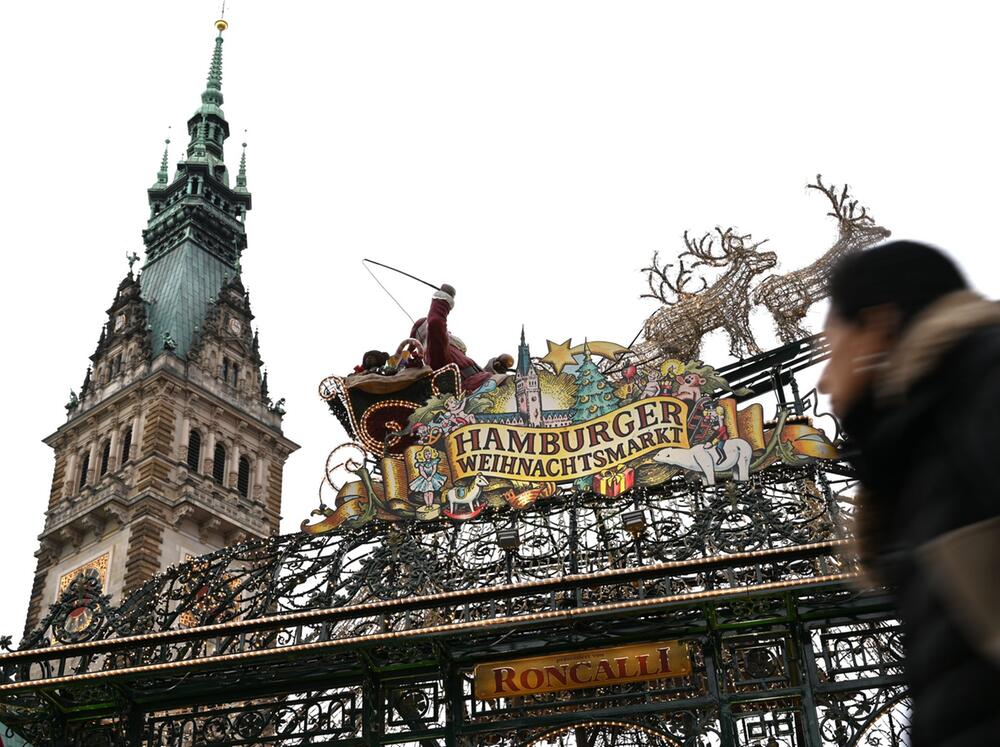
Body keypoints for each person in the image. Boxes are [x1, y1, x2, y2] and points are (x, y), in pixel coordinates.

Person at [817, 241, 1000, 746]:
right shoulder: (914, 453)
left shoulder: (981, 385)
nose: (824, 378)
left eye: (832, 350)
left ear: (878, 327)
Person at [410, 284, 494, 393]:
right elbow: (435, 322)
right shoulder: (436, 350)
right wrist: (442, 299)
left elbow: (477, 375)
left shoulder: (453, 351)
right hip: (475, 392)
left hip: (484, 384)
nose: (448, 332)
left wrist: (496, 365)